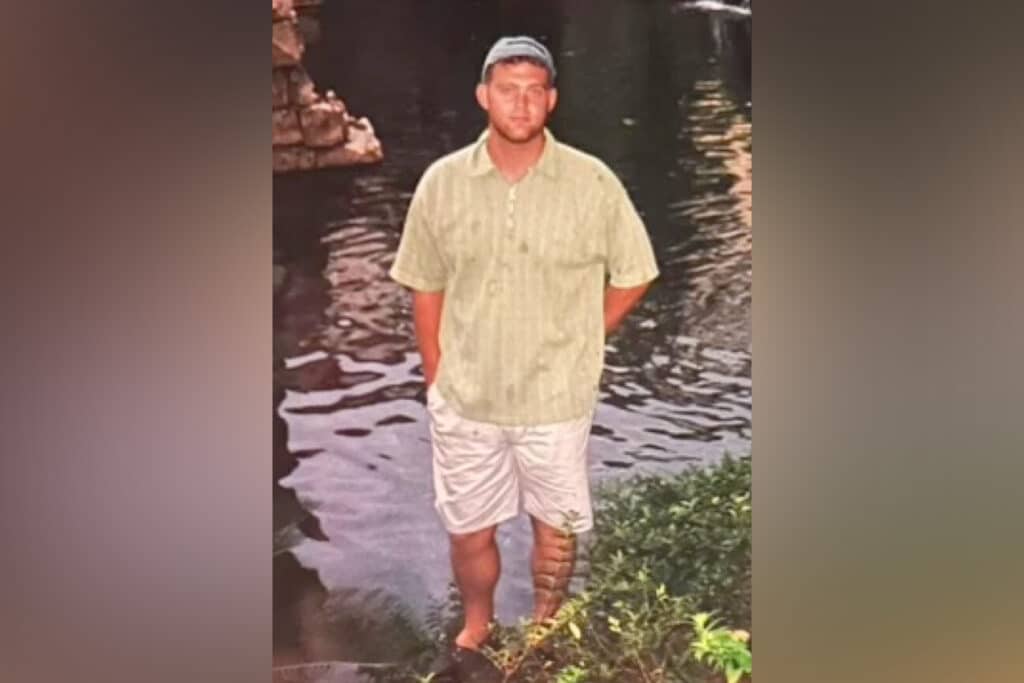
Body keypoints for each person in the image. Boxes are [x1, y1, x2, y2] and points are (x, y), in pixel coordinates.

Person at [389, 35, 659, 678]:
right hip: (469, 396)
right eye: (508, 88)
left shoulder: (592, 182)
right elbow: (425, 285)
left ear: (552, 100)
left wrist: (586, 339)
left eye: (535, 89)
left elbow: (635, 272)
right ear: (484, 96)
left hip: (555, 398)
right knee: (469, 531)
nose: (522, 101)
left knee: (555, 528)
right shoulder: (442, 183)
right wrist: (436, 375)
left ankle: (545, 625)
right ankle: (477, 622)